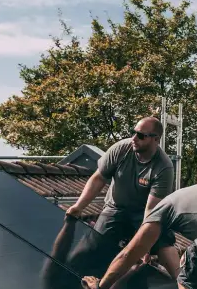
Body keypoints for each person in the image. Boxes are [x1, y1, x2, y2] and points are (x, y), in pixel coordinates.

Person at [66, 117, 180, 278]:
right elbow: (99, 178)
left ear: (155, 139)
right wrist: (78, 206)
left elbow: (151, 210)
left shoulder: (163, 167)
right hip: (115, 208)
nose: (134, 138)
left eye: (141, 136)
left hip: (144, 213)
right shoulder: (121, 149)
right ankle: (71, 272)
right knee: (94, 243)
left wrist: (145, 245)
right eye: (134, 133)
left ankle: (183, 285)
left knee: (163, 242)